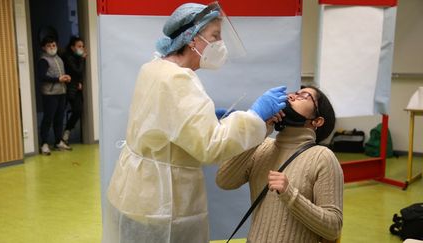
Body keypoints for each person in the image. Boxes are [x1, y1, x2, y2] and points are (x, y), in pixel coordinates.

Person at [105, 2, 288, 243]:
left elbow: (166, 124)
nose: (220, 44)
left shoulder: (153, 68)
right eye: (215, 36)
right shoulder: (178, 79)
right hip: (161, 204)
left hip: (134, 191)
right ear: (192, 38)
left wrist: (209, 121)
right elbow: (211, 146)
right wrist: (255, 116)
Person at [216, 86, 344, 243]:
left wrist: (289, 194)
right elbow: (224, 181)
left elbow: (334, 228)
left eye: (304, 96)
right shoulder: (263, 146)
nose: (291, 97)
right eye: (294, 93)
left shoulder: (322, 157)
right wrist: (260, 131)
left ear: (317, 121)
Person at [37, 36, 72, 155]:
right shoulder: (43, 60)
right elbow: (41, 77)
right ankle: (44, 144)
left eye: (54, 45)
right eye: (49, 46)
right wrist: (58, 79)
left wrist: (65, 78)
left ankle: (58, 141)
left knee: (59, 118)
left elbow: (59, 75)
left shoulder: (59, 59)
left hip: (61, 92)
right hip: (49, 94)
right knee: (48, 118)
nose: (52, 48)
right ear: (44, 48)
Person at [61, 36, 87, 144]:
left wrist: (79, 82)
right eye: (79, 46)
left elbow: (79, 74)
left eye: (82, 46)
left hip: (76, 87)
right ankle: (60, 139)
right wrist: (82, 59)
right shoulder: (68, 57)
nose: (81, 48)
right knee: (69, 111)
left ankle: (66, 133)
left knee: (78, 110)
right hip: (67, 88)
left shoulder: (77, 57)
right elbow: (77, 71)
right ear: (72, 47)